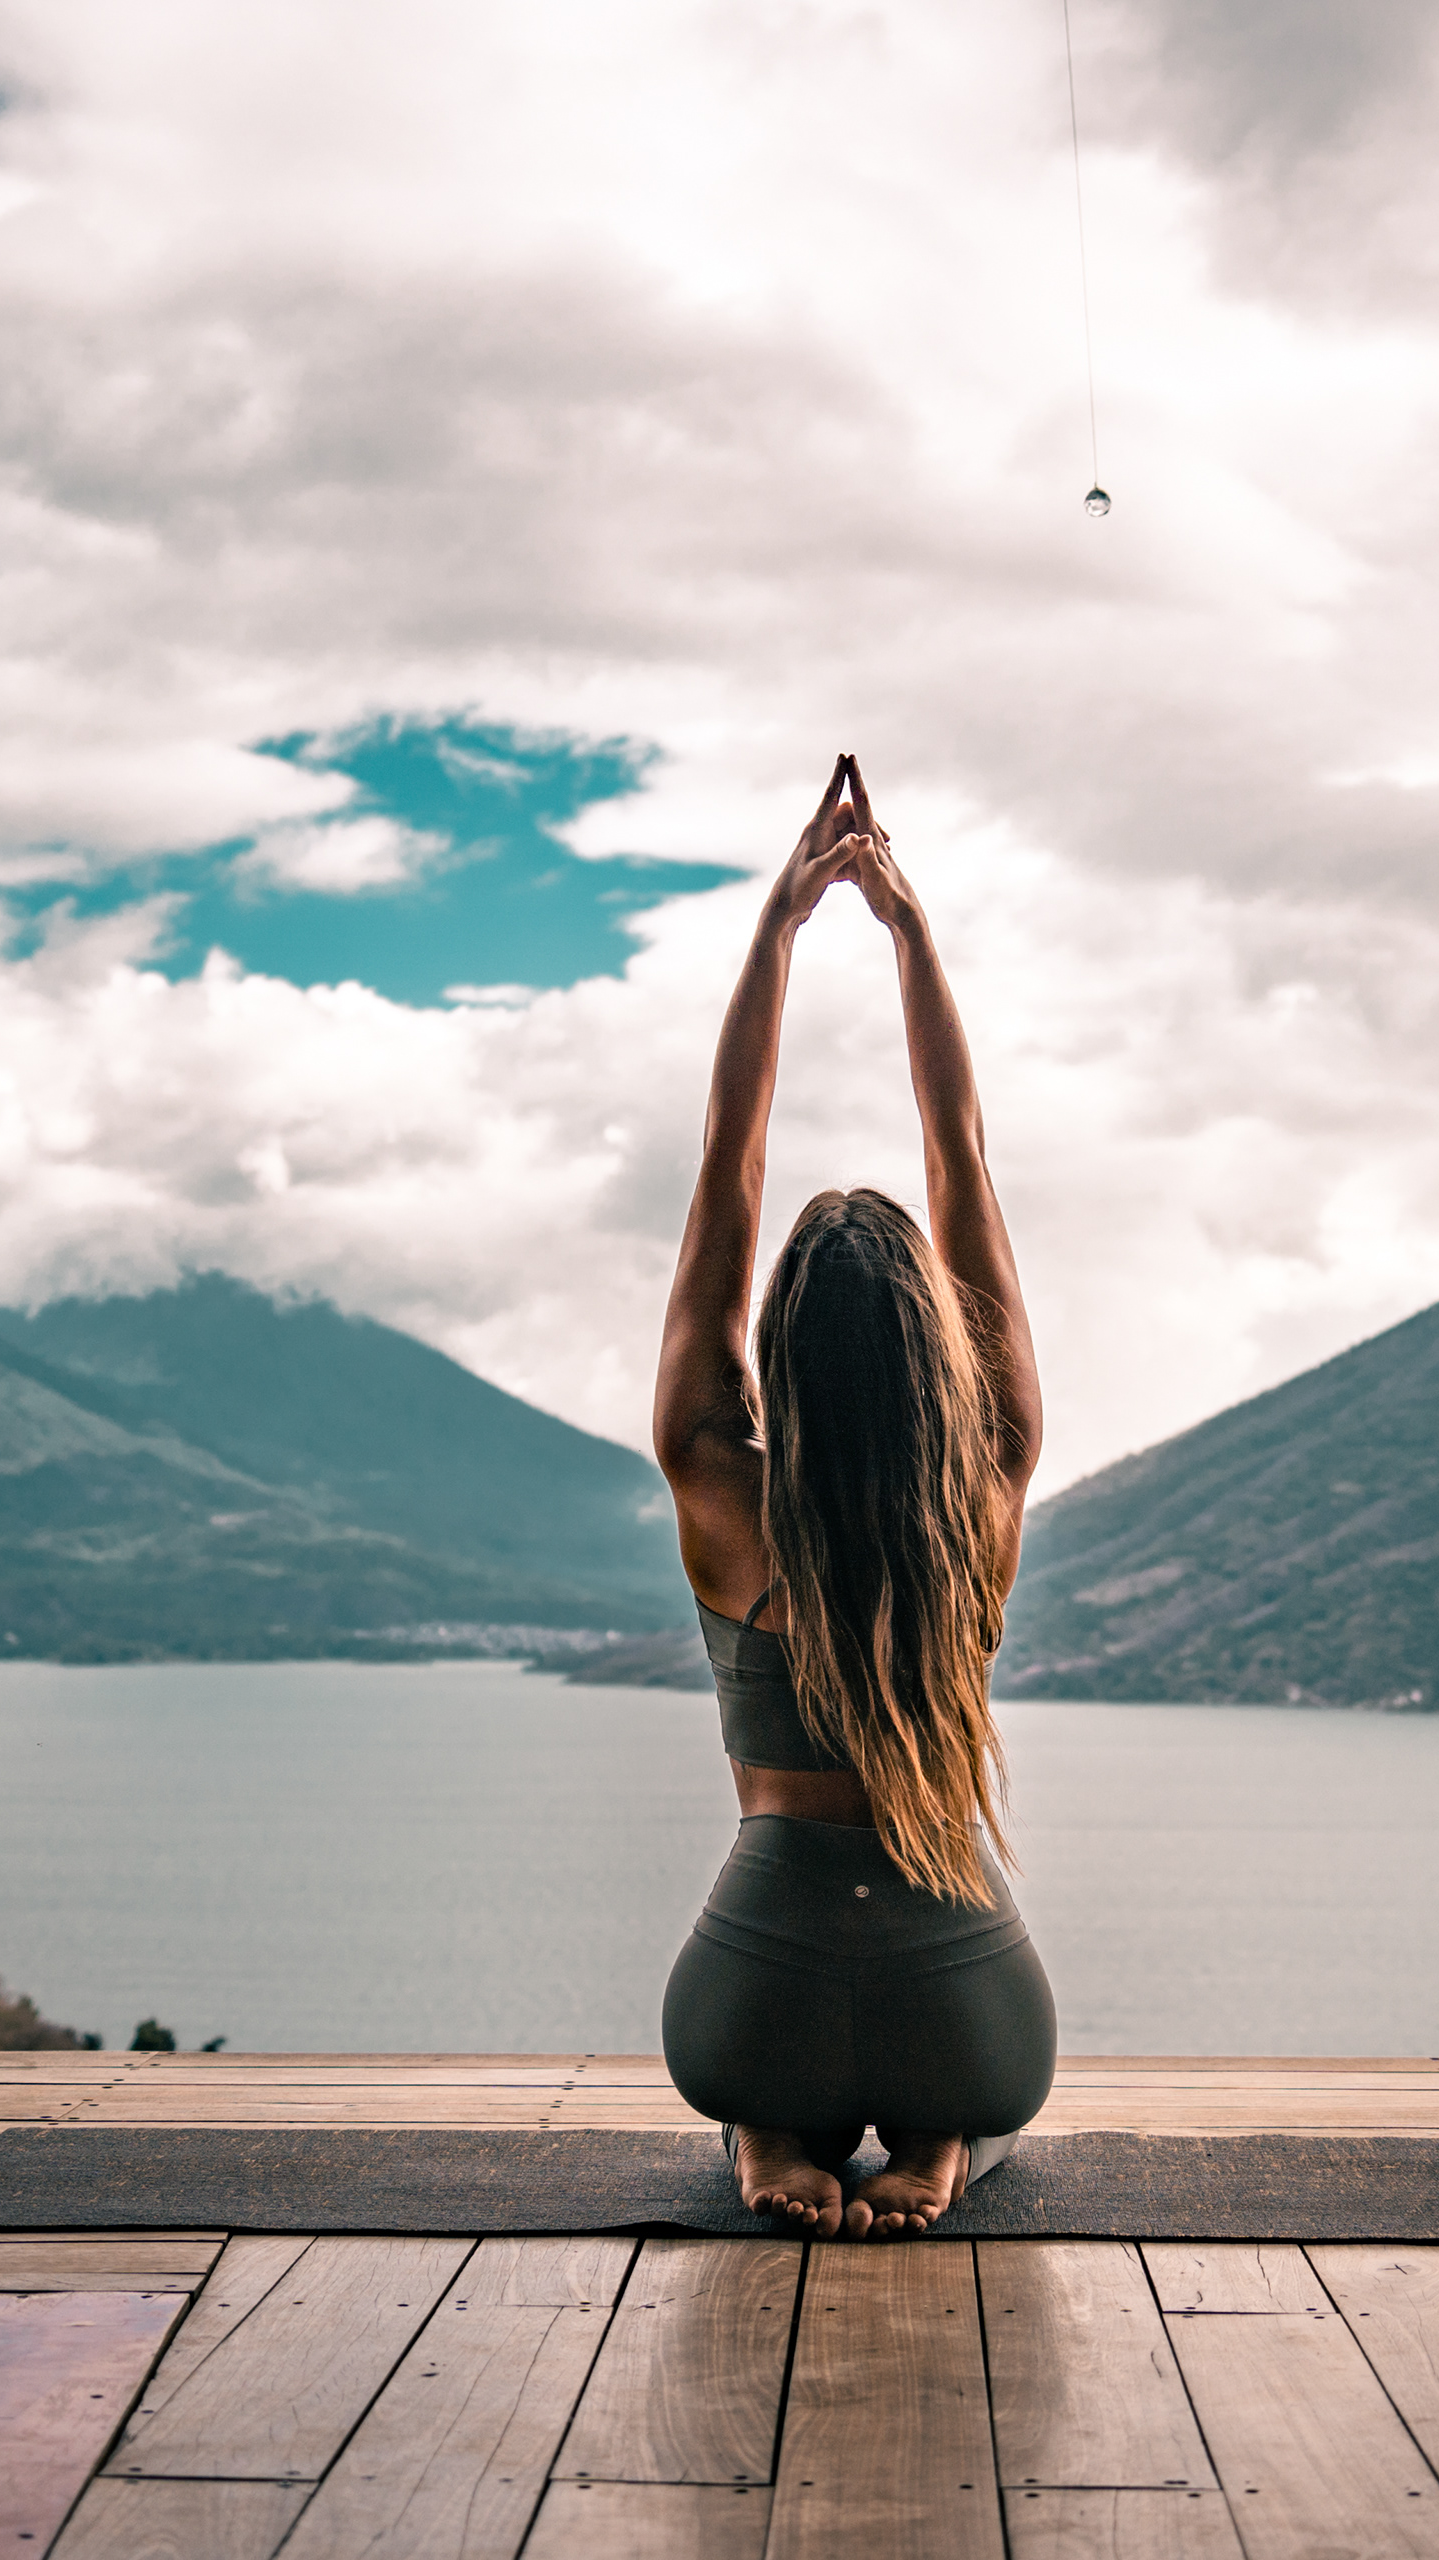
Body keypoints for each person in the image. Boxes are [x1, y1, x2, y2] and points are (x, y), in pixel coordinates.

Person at [652, 754, 1055, 2242]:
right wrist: (911, 934)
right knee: (967, 2074)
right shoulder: (990, 1484)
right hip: (969, 2011)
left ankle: (775, 2135)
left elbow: (727, 1165)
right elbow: (964, 1155)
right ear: (939, 1357)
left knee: (782, 2059)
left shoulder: (717, 1486)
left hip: (751, 2005)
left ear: (778, 1356)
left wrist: (778, 932)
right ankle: (941, 2141)